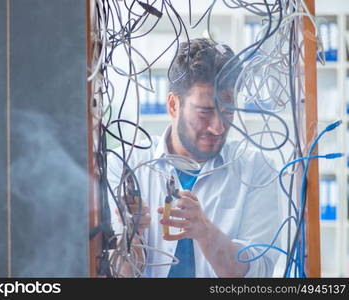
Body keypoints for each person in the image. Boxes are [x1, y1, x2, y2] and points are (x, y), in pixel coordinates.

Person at [107, 38, 281, 277]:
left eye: (228, 112)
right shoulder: (125, 166)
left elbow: (259, 274)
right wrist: (131, 233)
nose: (218, 128)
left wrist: (205, 232)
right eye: (205, 112)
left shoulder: (257, 171)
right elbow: (120, 274)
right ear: (173, 105)